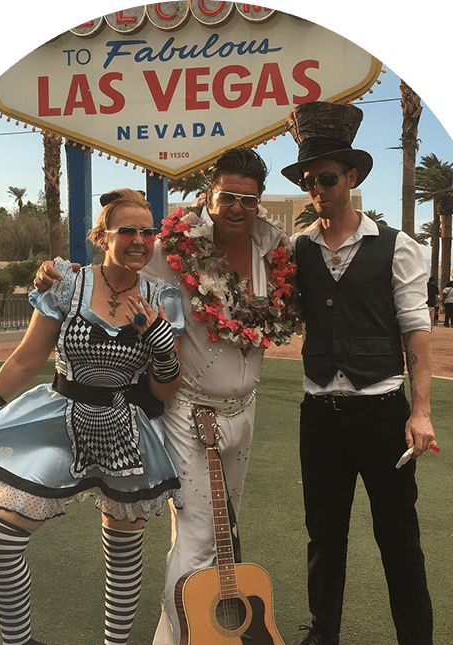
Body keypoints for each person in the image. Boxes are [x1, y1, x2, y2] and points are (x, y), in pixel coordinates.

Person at [34, 147, 299, 645]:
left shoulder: (276, 249)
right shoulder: (169, 248)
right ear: (208, 195)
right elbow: (116, 260)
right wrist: (60, 274)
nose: (238, 207)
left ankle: (196, 634)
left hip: (245, 410)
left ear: (259, 201)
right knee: (199, 535)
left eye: (249, 198)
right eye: (228, 196)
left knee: (223, 535)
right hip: (188, 413)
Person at [0, 189, 185, 645]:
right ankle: (20, 641)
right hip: (59, 420)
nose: (139, 239)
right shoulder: (66, 283)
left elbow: (165, 390)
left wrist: (163, 344)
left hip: (126, 431)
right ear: (102, 236)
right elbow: (26, 360)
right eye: (127, 230)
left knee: (124, 552)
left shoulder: (162, 298)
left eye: (148, 231)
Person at [281, 101, 435, 645]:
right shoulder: (296, 249)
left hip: (381, 412)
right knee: (323, 536)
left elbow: (416, 332)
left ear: (352, 176)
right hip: (319, 413)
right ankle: (324, 633)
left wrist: (420, 412)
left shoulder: (399, 248)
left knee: (399, 537)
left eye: (326, 177)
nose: (317, 188)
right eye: (308, 179)